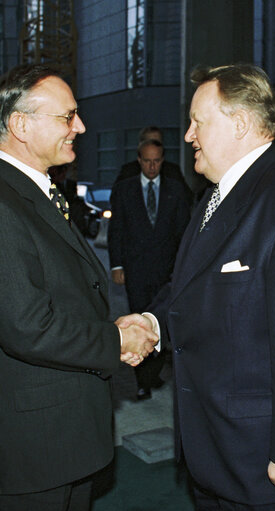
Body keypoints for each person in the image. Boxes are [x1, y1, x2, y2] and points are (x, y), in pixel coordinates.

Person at [139, 63, 275, 511]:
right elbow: (191, 288)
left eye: (198, 121)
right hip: (216, 449)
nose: (188, 135)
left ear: (239, 123)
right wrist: (152, 322)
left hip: (267, 462)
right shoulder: (216, 196)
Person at [0, 63, 159, 511]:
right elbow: (27, 327)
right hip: (29, 452)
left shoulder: (33, 194)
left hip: (61, 440)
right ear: (20, 125)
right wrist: (117, 339)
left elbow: (68, 296)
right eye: (67, 117)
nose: (80, 127)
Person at [108, 137, 190, 400]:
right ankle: (142, 380)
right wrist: (117, 265)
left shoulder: (176, 190)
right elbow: (116, 229)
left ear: (162, 161)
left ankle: (154, 374)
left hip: (167, 273)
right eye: (147, 161)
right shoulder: (124, 190)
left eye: (157, 161)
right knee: (141, 322)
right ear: (139, 160)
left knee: (164, 323)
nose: (152, 167)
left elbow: (183, 234)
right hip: (136, 270)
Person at [115, 125, 190, 193]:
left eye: (157, 143)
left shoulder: (173, 171)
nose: (153, 147)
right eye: (149, 143)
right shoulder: (128, 171)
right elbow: (116, 197)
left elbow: (187, 198)